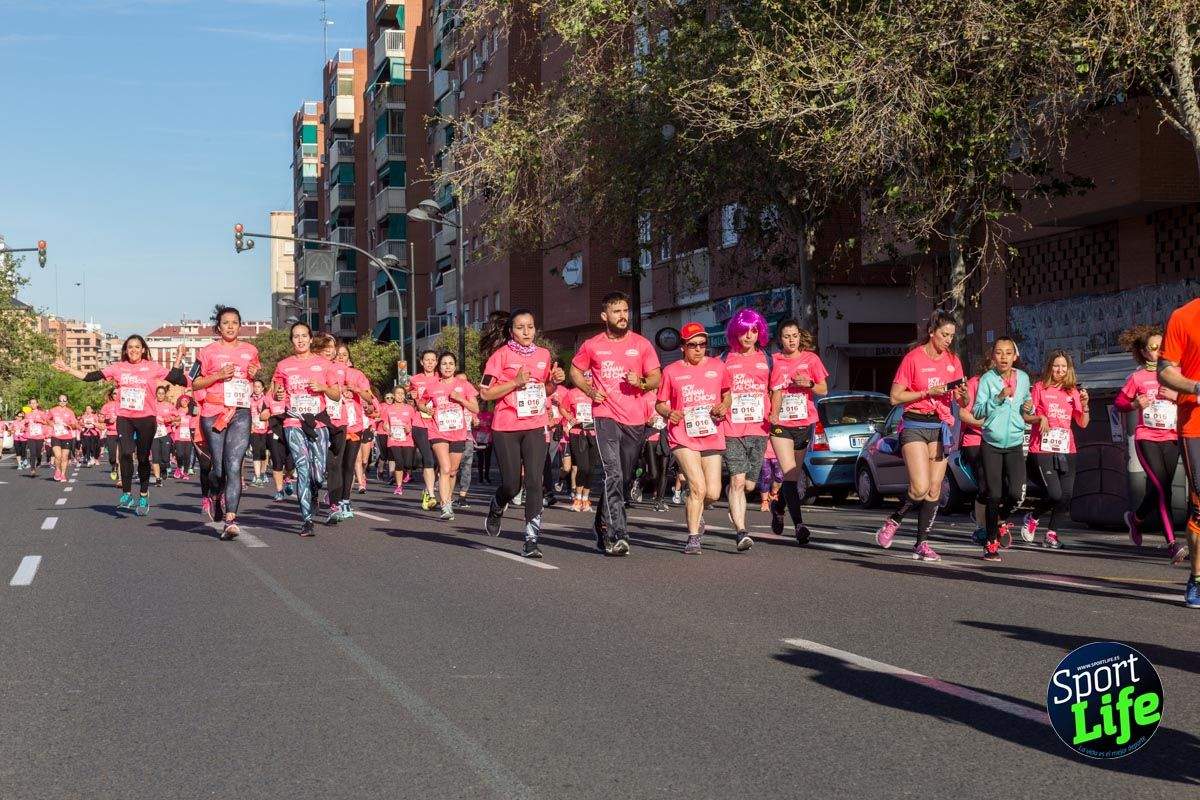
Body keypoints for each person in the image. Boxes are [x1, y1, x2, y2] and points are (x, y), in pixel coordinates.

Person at [569, 291, 661, 556]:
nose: (623, 316)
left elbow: (655, 377)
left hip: (634, 420)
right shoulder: (592, 345)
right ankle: (617, 534)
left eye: (625, 310)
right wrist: (589, 390)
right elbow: (575, 370)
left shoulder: (642, 344)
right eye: (617, 311)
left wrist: (641, 383)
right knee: (613, 472)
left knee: (623, 478)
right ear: (604, 316)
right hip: (605, 415)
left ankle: (601, 521)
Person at [54, 337, 188, 514]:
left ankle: (143, 494)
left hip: (146, 418)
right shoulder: (118, 368)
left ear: (142, 350)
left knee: (142, 458)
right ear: (125, 350)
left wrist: (179, 357)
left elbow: (175, 377)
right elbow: (91, 376)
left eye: (137, 347)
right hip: (125, 417)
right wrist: (67, 369)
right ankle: (126, 494)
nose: (133, 350)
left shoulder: (151, 366)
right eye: (130, 347)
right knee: (125, 454)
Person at [875, 311, 965, 561]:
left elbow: (960, 399)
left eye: (952, 336)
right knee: (919, 488)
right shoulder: (913, 359)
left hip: (940, 427)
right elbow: (895, 397)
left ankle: (921, 543)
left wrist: (965, 395)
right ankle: (894, 519)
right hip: (914, 424)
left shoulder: (953, 361)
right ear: (932, 332)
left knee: (935, 490)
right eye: (944, 335)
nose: (948, 340)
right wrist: (926, 392)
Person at [478, 310, 562, 557]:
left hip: (535, 424)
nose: (527, 332)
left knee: (535, 481)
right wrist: (514, 382)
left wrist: (554, 381)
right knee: (512, 484)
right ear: (511, 331)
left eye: (531, 327)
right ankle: (497, 504)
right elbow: (485, 393)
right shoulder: (500, 356)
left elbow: (544, 390)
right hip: (506, 426)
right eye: (521, 327)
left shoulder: (544, 355)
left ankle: (531, 539)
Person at [656, 322, 732, 554]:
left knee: (712, 493)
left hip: (711, 433)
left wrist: (723, 406)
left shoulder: (719, 367)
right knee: (698, 487)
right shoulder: (671, 371)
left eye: (703, 344)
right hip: (682, 435)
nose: (699, 349)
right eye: (693, 345)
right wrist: (670, 412)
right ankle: (693, 537)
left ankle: (695, 507)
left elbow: (727, 394)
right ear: (683, 347)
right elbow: (659, 404)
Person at [1114, 325, 1186, 563]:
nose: (1159, 351)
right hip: (1147, 438)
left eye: (1162, 347)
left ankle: (1135, 519)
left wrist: (1177, 396)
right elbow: (1119, 403)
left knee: (1158, 490)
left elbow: (1189, 398)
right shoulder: (1138, 377)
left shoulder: (1176, 373)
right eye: (1153, 348)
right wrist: (1135, 404)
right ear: (1145, 353)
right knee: (1163, 489)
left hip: (1172, 437)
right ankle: (1172, 544)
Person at [190, 306, 260, 537]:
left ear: (240, 325)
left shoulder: (250, 350)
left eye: (234, 322)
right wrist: (218, 376)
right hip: (214, 411)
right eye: (226, 322)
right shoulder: (206, 351)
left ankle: (231, 518)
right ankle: (215, 494)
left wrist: (254, 372)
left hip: (240, 411)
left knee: (233, 466)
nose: (230, 326)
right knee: (219, 468)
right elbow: (194, 383)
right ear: (219, 327)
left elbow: (255, 373)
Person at [272, 321, 342, 537]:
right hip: (293, 421)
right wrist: (279, 395)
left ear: (311, 339)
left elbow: (336, 394)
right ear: (292, 340)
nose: (300, 340)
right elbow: (276, 391)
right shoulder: (284, 365)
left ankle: (313, 493)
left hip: (317, 423)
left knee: (318, 473)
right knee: (302, 467)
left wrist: (322, 387)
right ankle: (307, 520)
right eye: (296, 336)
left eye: (304, 336)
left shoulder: (324, 364)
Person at [768, 319, 829, 546]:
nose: (791, 340)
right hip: (780, 423)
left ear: (799, 337)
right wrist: (771, 412)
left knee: (790, 476)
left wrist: (809, 384)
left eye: (794, 335)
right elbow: (768, 388)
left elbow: (823, 389)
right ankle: (800, 525)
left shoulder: (810, 359)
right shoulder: (773, 361)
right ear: (780, 339)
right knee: (790, 473)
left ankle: (778, 506)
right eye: (786, 336)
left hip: (804, 423)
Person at [1155, 298, 1200, 607]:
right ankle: (1197, 578)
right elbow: (1165, 371)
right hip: (1196, 424)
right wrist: (1196, 387)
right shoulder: (1184, 316)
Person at [971, 338, 1033, 562]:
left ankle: (999, 519)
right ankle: (990, 543)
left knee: (1017, 493)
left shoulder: (1023, 378)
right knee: (994, 494)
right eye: (999, 353)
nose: (1004, 357)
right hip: (992, 443)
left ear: (1015, 356)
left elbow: (1027, 403)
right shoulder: (987, 380)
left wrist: (1029, 407)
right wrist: (997, 398)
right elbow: (977, 412)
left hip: (1015, 442)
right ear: (993, 356)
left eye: (1008, 353)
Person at [1022, 350, 1090, 549]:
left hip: (1066, 448)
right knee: (1054, 494)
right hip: (1042, 448)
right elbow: (1026, 416)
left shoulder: (1073, 392)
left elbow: (1082, 423)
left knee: (1066, 495)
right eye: (1056, 365)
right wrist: (1039, 418)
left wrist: (1085, 406)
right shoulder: (1040, 388)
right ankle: (1032, 517)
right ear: (1049, 367)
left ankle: (1051, 534)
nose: (1060, 370)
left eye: (1064, 366)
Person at [722, 308, 772, 550]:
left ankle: (733, 497)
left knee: (750, 485)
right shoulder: (725, 359)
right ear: (735, 334)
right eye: (743, 332)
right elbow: (719, 391)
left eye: (753, 331)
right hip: (732, 429)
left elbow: (776, 390)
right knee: (738, 481)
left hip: (760, 428)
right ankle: (741, 532)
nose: (748, 336)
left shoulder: (768, 359)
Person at [414, 352, 479, 521]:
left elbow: (476, 408)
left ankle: (448, 499)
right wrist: (426, 409)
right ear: (439, 366)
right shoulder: (433, 385)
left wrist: (460, 400)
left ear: (455, 366)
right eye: (444, 364)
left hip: (458, 432)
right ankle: (446, 505)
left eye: (451, 363)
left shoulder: (463, 385)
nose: (447, 367)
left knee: (452, 470)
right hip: (438, 431)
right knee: (444, 467)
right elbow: (421, 402)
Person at [326, 342, 374, 521]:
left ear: (349, 357)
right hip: (336, 425)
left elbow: (369, 397)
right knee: (335, 465)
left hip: (354, 426)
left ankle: (345, 500)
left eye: (344, 354)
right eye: (338, 354)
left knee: (349, 465)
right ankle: (335, 499)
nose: (341, 357)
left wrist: (357, 390)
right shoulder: (328, 371)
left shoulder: (357, 374)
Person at [408, 350, 442, 511]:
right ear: (421, 362)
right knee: (428, 459)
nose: (429, 362)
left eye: (432, 360)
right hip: (420, 423)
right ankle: (430, 494)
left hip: (438, 424)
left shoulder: (441, 379)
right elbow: (409, 399)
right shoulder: (414, 380)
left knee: (438, 461)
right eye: (426, 360)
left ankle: (428, 488)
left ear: (436, 362)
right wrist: (411, 397)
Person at [379, 389, 419, 494]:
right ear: (394, 395)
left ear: (404, 396)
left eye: (402, 394)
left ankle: (406, 473)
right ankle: (399, 486)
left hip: (407, 439)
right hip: (394, 439)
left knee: (408, 463)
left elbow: (414, 423)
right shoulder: (388, 409)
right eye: (398, 393)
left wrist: (408, 428)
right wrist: (388, 429)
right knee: (399, 462)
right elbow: (385, 423)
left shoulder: (409, 408)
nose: (400, 396)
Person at [48, 394, 79, 482]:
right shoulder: (53, 410)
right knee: (58, 456)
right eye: (61, 400)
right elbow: (47, 419)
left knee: (64, 457)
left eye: (64, 400)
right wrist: (51, 424)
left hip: (66, 437)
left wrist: (70, 425)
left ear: (67, 402)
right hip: (56, 436)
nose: (62, 402)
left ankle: (63, 474)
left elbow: (74, 424)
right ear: (58, 401)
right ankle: (57, 470)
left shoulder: (70, 412)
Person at [150, 386, 176, 487]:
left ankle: (164, 468)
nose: (160, 395)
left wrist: (166, 420)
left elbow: (177, 418)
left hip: (165, 433)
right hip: (154, 435)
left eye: (162, 393)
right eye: (159, 393)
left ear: (165, 395)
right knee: (155, 458)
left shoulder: (169, 406)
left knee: (165, 457)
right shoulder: (151, 405)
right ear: (156, 394)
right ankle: (158, 479)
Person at [249, 379, 271, 486]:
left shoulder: (266, 399)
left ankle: (263, 473)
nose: (256, 389)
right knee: (256, 451)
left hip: (265, 429)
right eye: (255, 386)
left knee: (264, 452)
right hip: (253, 429)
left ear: (262, 388)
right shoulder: (249, 399)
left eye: (258, 387)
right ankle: (257, 476)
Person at [170, 394, 195, 481]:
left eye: (185, 401)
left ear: (188, 402)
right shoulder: (177, 411)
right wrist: (175, 423)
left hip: (188, 437)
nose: (183, 403)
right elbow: (172, 421)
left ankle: (185, 473)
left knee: (187, 455)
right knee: (180, 454)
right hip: (178, 436)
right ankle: (179, 467)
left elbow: (194, 422)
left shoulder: (191, 411)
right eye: (182, 401)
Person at [23, 399, 48, 476]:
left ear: (37, 404)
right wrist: (25, 423)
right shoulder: (27, 414)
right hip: (31, 436)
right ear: (29, 405)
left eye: (34, 403)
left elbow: (47, 422)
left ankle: (39, 460)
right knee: (32, 453)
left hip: (39, 436)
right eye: (31, 403)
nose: (33, 404)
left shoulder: (42, 413)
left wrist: (40, 421)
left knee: (38, 453)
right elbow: (25, 424)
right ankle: (32, 469)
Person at [100, 389, 120, 482]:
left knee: (120, 457)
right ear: (111, 395)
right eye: (115, 393)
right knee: (112, 457)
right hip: (111, 433)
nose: (116, 395)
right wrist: (108, 420)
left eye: (118, 393)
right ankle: (113, 466)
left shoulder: (125, 405)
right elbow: (100, 419)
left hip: (123, 433)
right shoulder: (107, 406)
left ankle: (121, 479)